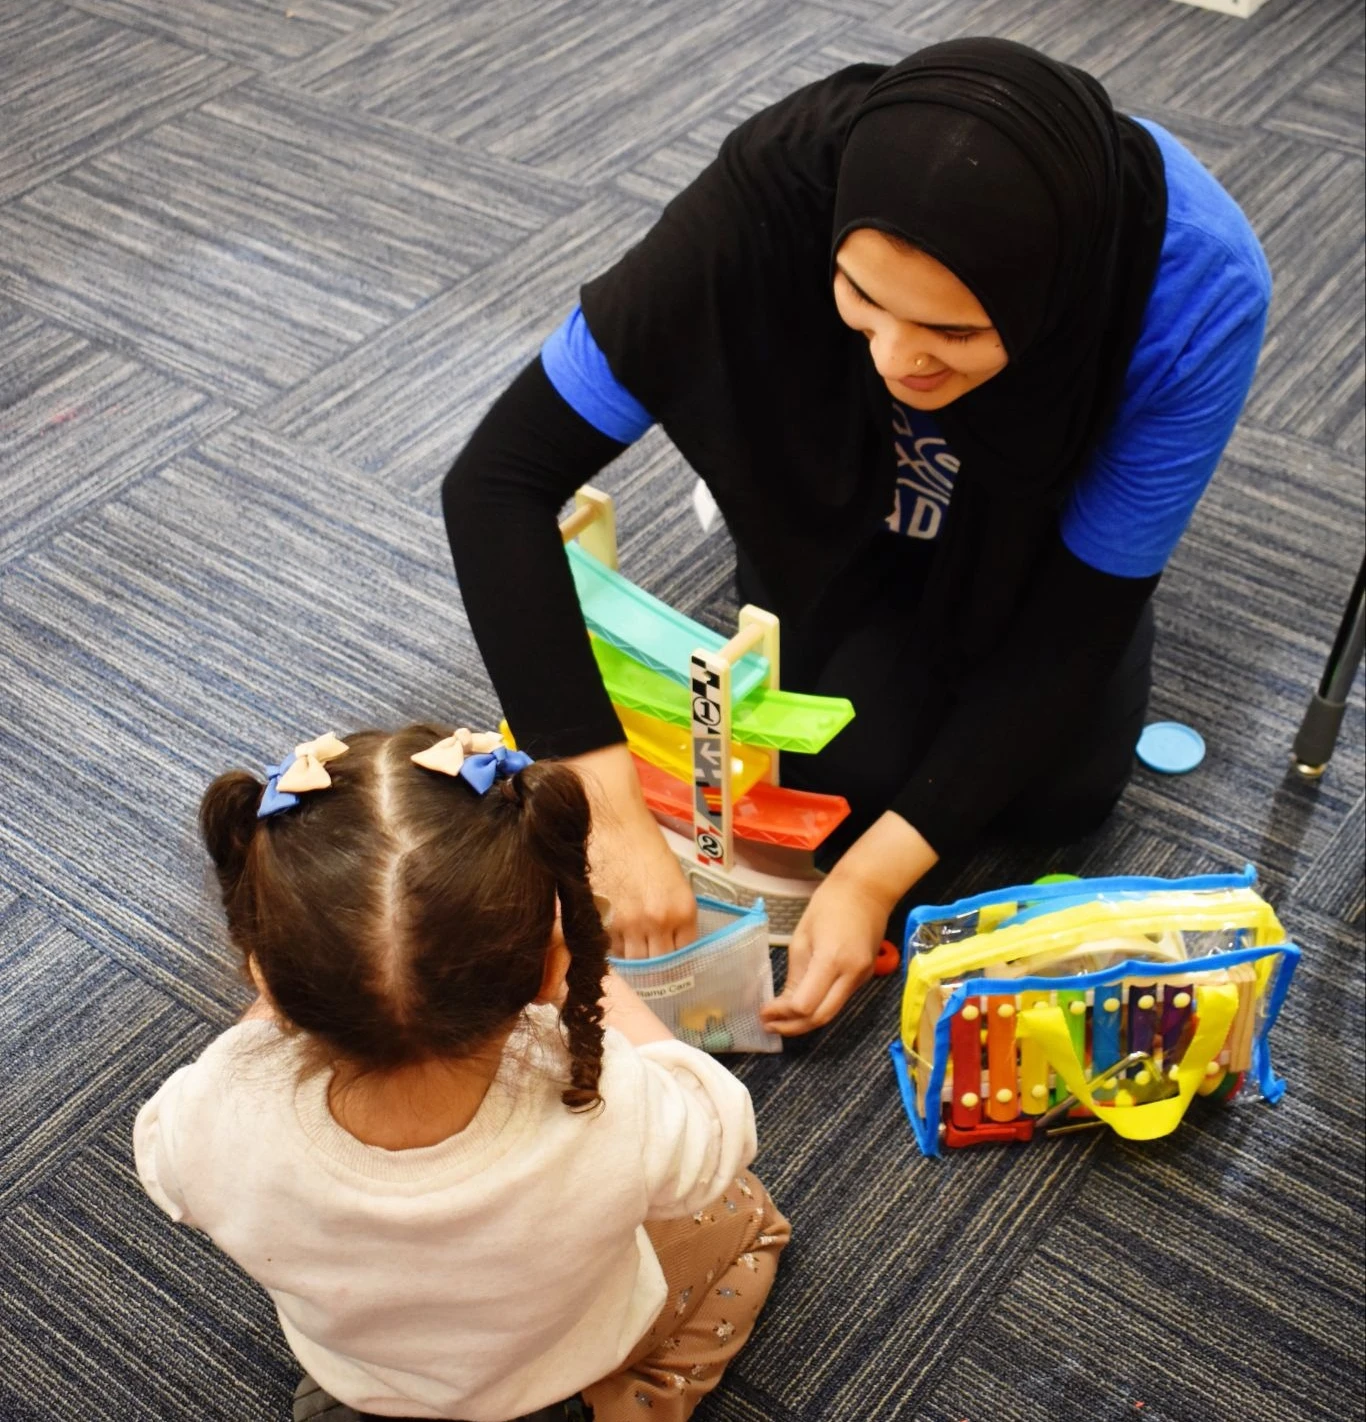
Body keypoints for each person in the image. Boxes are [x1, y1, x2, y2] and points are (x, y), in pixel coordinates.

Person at [443, 37, 1270, 1038]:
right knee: (844, 775)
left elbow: (1077, 621)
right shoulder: (768, 196)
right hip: (836, 482)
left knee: (1062, 795)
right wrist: (608, 818)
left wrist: (873, 884)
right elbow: (494, 482)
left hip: (1034, 527)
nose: (895, 357)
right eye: (860, 301)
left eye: (953, 333)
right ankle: (782, 494)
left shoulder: (1193, 290)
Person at [133, 726, 788, 1422]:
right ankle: (622, 1403)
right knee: (752, 1220)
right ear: (547, 962)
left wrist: (292, 977)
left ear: (266, 972)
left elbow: (162, 1165)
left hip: (368, 1373)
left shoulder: (211, 1113)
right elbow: (720, 1126)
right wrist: (582, 974)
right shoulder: (617, 1108)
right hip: (553, 1365)